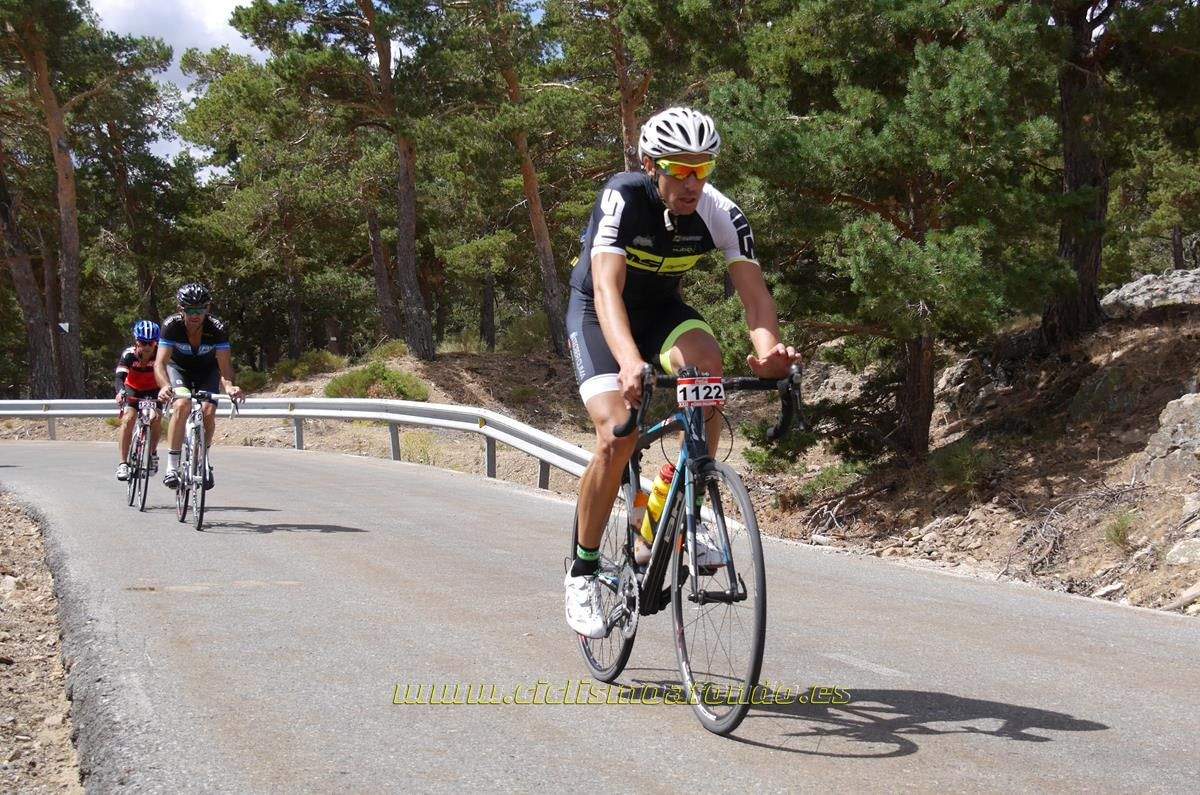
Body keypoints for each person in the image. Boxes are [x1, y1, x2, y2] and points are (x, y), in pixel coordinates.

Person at [563, 107, 800, 638]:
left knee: (708, 368)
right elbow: (605, 288)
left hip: (661, 313)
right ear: (652, 164)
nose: (693, 182)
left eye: (703, 169)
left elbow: (755, 296)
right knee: (616, 433)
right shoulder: (623, 196)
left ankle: (687, 496)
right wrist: (628, 360)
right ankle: (583, 569)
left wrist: (767, 352)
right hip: (600, 315)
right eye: (680, 168)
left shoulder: (721, 212)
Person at [155, 283, 244, 489]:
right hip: (180, 370)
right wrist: (164, 385)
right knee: (182, 404)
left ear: (208, 309)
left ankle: (202, 460)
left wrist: (230, 387)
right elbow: (160, 363)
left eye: (200, 310)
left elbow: (224, 366)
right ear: (181, 310)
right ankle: (172, 466)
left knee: (209, 410)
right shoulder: (171, 326)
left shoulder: (217, 328)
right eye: (190, 310)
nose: (196, 315)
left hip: (207, 371)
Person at [114, 320, 163, 481]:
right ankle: (123, 463)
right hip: (133, 388)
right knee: (128, 419)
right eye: (143, 342)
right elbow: (120, 377)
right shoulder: (129, 354)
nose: (147, 346)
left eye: (151, 343)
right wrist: (120, 392)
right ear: (137, 341)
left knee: (155, 418)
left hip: (155, 389)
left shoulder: (161, 354)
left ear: (157, 342)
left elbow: (169, 373)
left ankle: (152, 454)